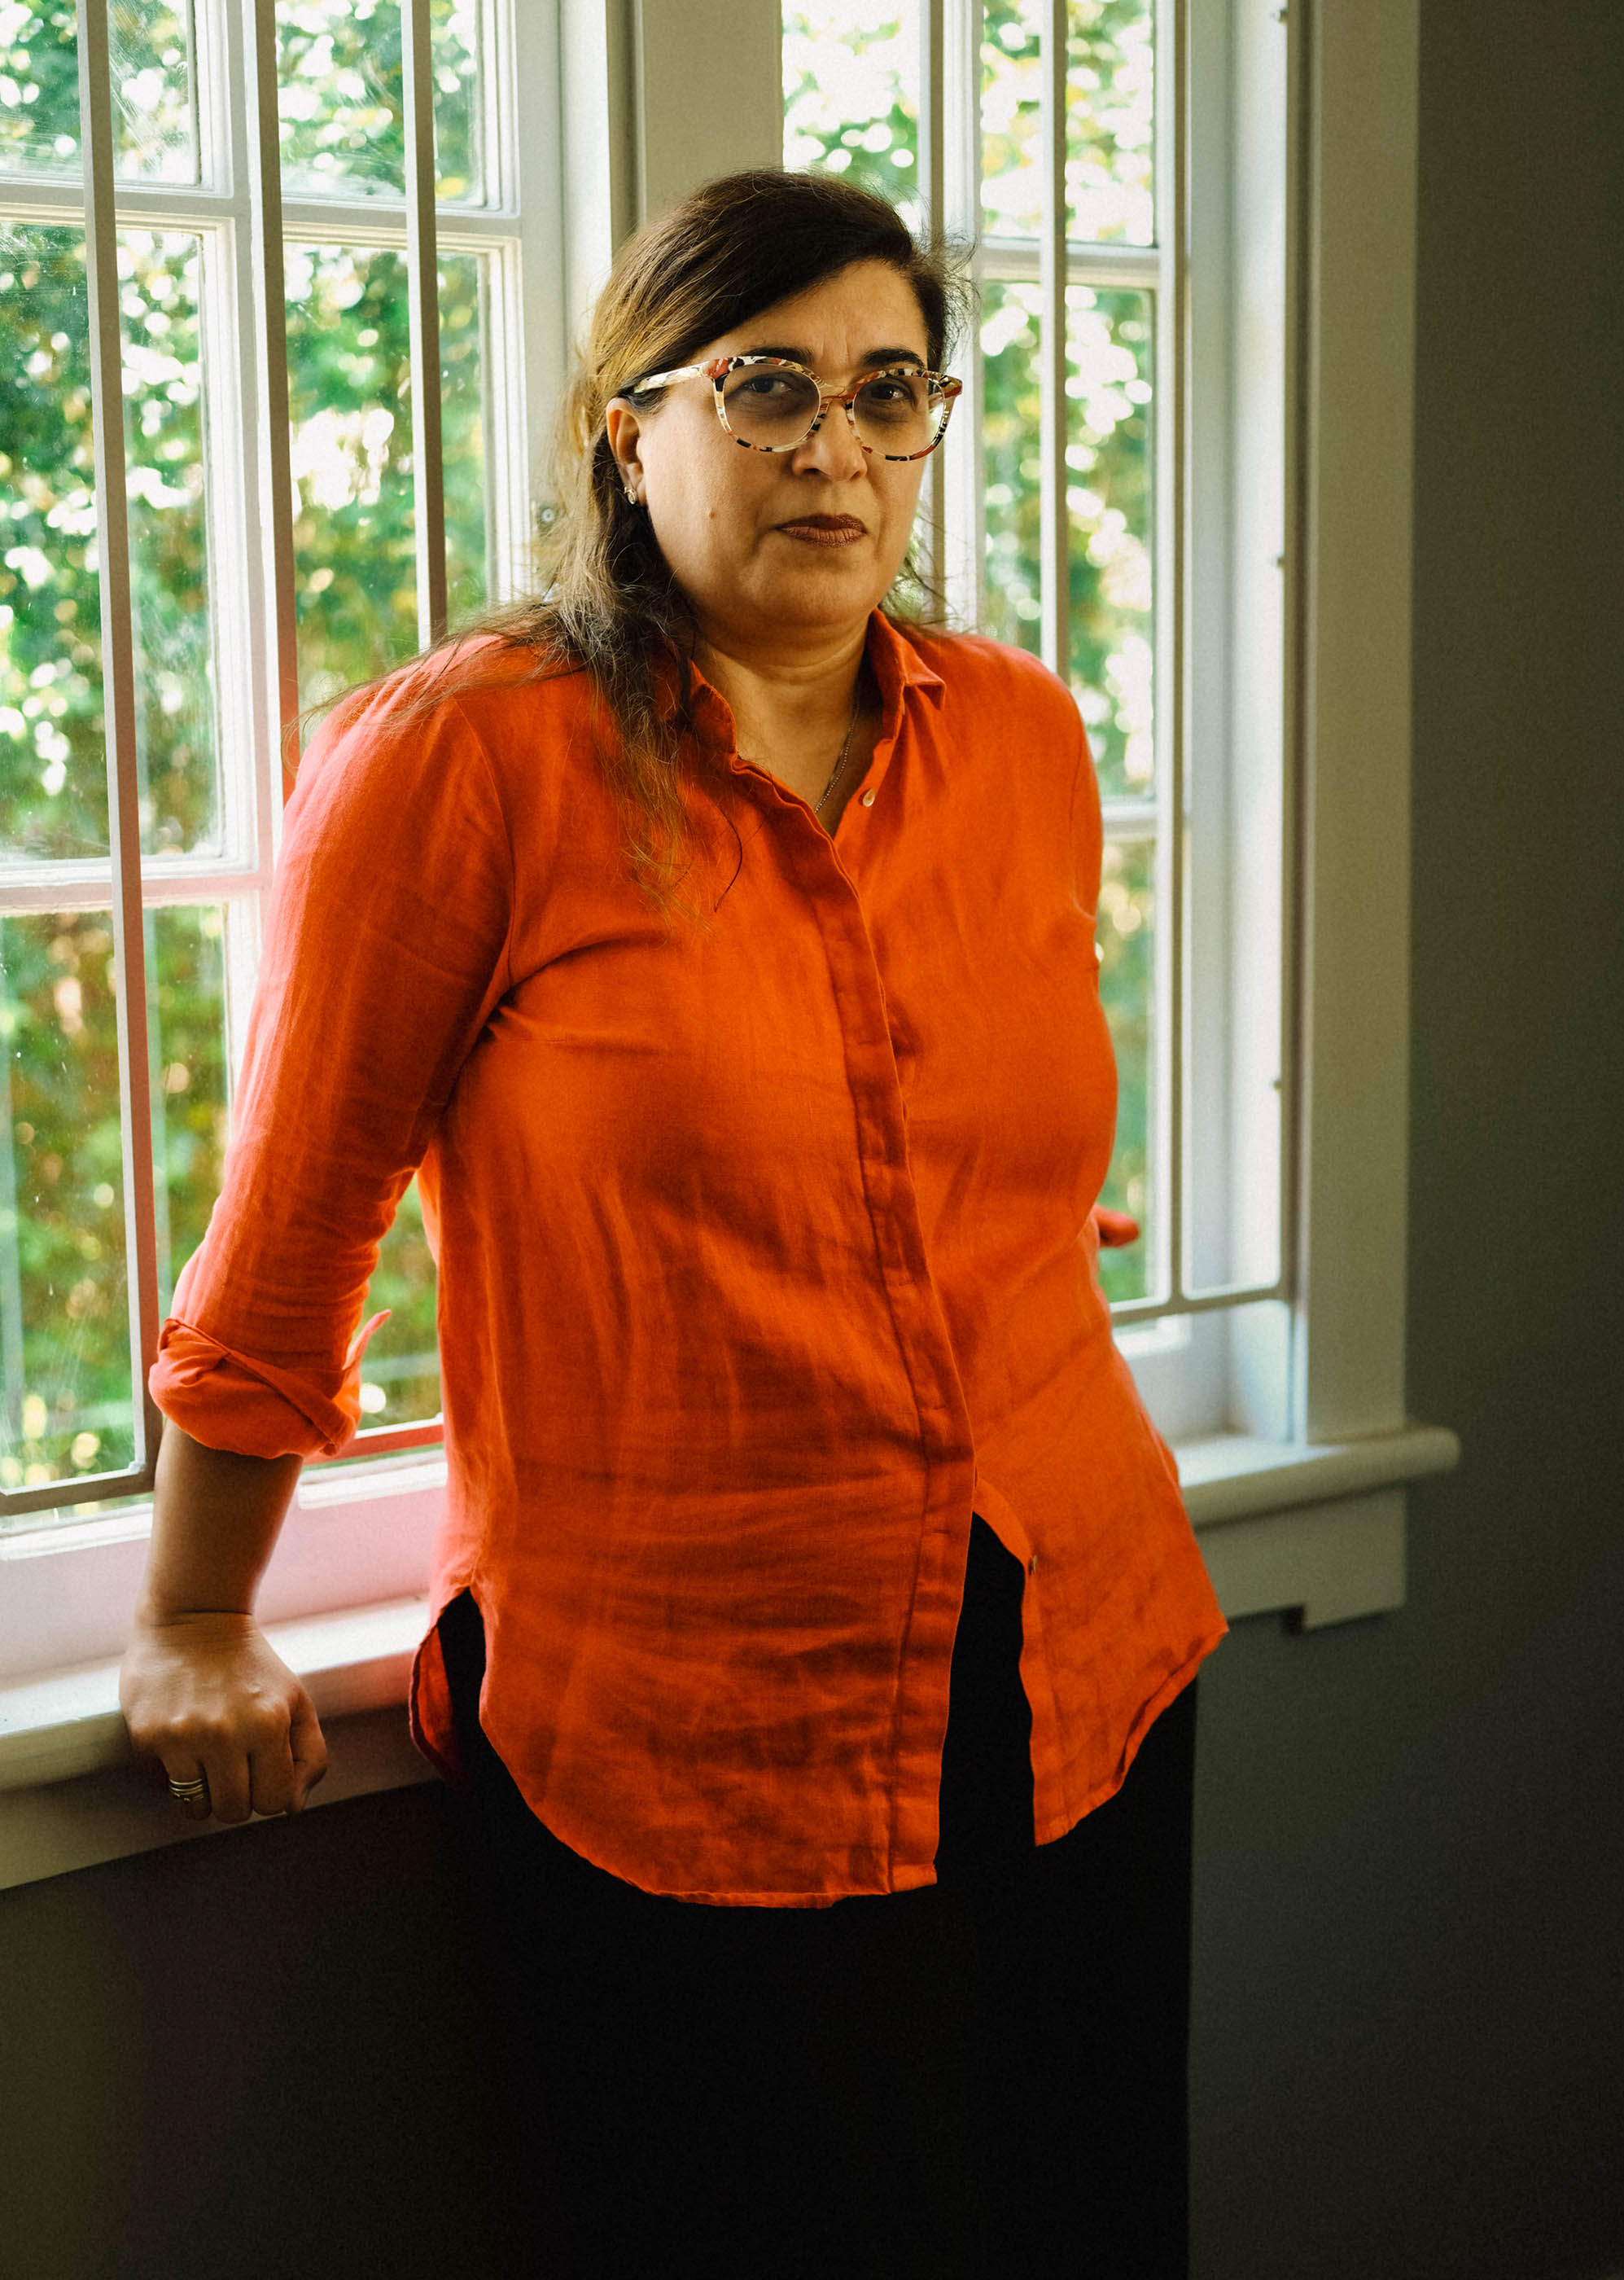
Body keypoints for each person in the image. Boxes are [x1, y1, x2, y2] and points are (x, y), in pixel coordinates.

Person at [120, 169, 1228, 2278]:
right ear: (630, 432)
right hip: (688, 1726)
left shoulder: (1019, 737)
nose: (836, 445)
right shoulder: (460, 762)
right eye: (768, 385)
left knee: (1078, 2225)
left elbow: (965, 1130)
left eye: (889, 390)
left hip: (1084, 1647)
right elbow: (291, 1230)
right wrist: (188, 1613)